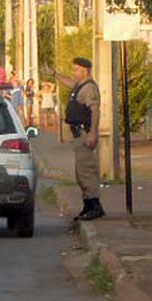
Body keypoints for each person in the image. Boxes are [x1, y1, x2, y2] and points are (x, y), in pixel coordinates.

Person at [44, 57, 105, 220]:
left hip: (85, 134)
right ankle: (87, 205)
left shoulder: (90, 88)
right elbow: (69, 83)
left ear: (85, 70)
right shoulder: (80, 86)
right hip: (78, 135)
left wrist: (92, 133)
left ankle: (94, 205)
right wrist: (55, 74)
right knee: (81, 172)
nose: (73, 72)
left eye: (76, 69)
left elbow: (95, 111)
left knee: (86, 171)